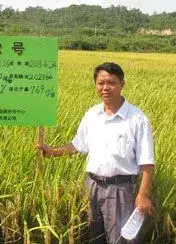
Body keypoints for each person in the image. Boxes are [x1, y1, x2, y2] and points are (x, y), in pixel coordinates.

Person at [37, 62, 155, 243]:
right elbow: (77, 145)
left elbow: (147, 162)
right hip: (91, 187)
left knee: (120, 239)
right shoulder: (92, 115)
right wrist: (51, 151)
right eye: (101, 83)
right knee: (93, 237)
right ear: (96, 85)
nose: (105, 88)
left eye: (111, 83)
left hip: (120, 190)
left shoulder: (137, 119)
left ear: (122, 84)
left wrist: (143, 195)